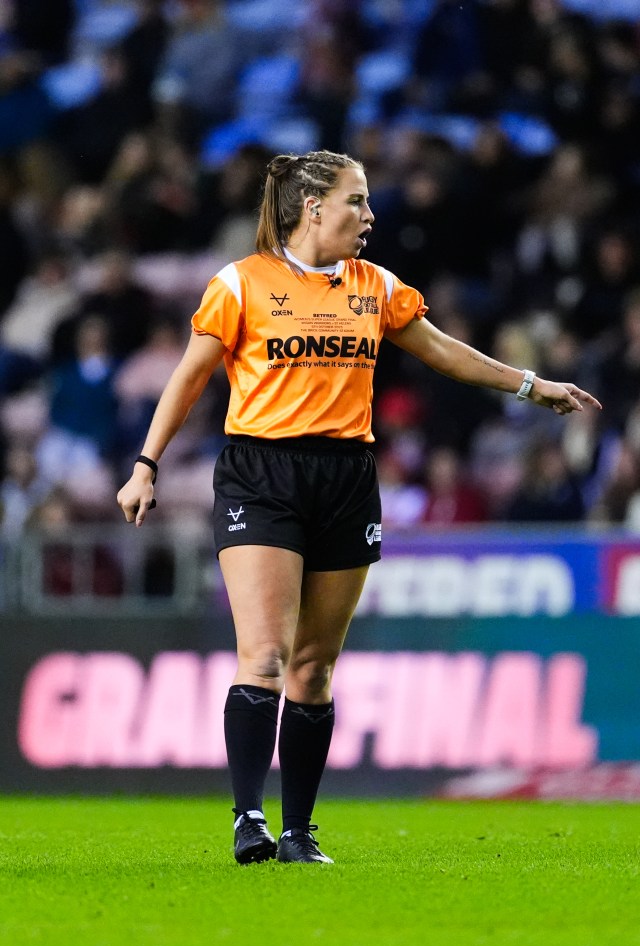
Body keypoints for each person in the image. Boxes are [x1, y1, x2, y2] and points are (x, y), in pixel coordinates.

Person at [116, 149, 601, 865]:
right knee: (267, 652)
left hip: (346, 476)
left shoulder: (375, 287)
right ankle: (248, 817)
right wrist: (146, 466)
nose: (370, 217)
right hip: (262, 473)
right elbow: (189, 379)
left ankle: (300, 833)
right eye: (357, 201)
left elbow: (444, 352)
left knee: (314, 665)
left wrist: (531, 385)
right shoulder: (241, 283)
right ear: (313, 207)